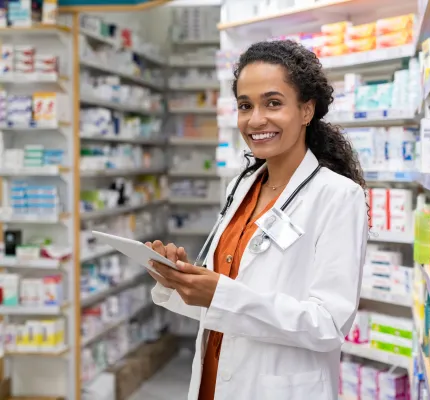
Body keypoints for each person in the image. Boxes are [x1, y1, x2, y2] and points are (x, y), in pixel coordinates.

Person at [146, 40, 369, 400]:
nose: (255, 119)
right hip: (214, 380)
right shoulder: (242, 185)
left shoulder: (338, 196)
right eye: (245, 105)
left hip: (280, 387)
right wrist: (181, 279)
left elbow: (327, 324)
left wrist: (221, 295)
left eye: (273, 103)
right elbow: (223, 292)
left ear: (307, 109)